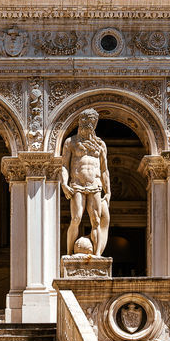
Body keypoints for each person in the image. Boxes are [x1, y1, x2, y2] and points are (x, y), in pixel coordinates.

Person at [59, 109, 111, 255]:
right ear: (80, 122)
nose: (88, 124)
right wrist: (64, 184)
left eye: (92, 122)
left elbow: (104, 170)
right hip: (77, 184)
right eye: (85, 121)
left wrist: (108, 192)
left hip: (95, 185)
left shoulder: (100, 144)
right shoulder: (71, 142)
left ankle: (97, 256)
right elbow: (64, 165)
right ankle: (69, 254)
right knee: (76, 218)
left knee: (96, 221)